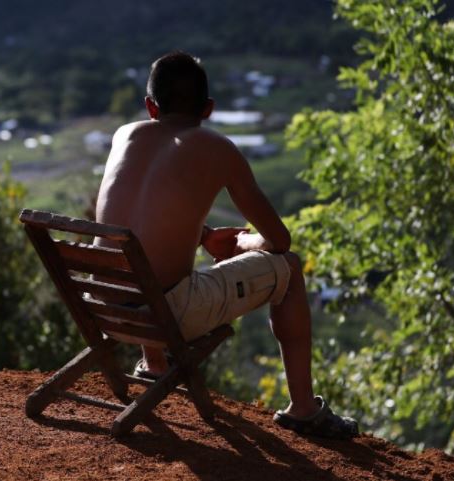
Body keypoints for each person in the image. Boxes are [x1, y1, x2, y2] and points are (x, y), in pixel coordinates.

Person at [93, 51, 358, 439]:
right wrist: (243, 243)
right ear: (208, 109)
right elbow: (279, 240)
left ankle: (153, 365)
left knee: (145, 271)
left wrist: (203, 236)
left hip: (102, 306)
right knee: (290, 267)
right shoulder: (218, 148)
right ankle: (304, 409)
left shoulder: (124, 135)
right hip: (166, 315)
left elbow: (141, 219)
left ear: (150, 107)